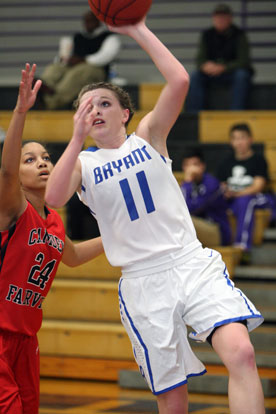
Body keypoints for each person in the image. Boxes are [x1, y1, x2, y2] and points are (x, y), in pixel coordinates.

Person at [45, 18, 265, 414]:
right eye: (86, 107)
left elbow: (179, 81)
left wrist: (137, 29)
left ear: (125, 113)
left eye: (104, 103)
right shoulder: (81, 162)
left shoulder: (148, 136)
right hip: (143, 282)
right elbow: (54, 194)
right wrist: (75, 137)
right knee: (172, 398)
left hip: (188, 262)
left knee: (241, 353)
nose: (94, 111)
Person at [0, 63, 104, 414]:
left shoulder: (54, 222)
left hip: (26, 338)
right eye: (31, 160)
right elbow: (6, 171)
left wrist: (119, 235)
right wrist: (20, 111)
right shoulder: (13, 208)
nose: (42, 163)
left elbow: (72, 255)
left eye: (46, 157)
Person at [216, 123, 276, 261]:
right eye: (235, 138)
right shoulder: (226, 162)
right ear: (231, 142)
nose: (239, 142)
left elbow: (258, 187)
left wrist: (236, 194)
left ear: (250, 140)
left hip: (260, 198)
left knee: (245, 201)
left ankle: (242, 246)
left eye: (242, 138)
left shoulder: (258, 160)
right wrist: (227, 192)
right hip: (234, 199)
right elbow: (222, 185)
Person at [38, 10, 121, 110]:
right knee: (55, 68)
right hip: (73, 66)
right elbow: (65, 54)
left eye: (91, 21)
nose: (88, 24)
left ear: (98, 21)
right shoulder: (78, 37)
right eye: (86, 21)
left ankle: (54, 99)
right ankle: (43, 86)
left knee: (78, 73)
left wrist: (83, 60)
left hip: (96, 70)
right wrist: (64, 60)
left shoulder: (109, 37)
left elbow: (105, 56)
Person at [186, 3, 253, 112]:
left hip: (231, 72)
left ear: (230, 18)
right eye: (218, 17)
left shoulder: (239, 35)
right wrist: (205, 66)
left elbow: (244, 61)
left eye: (223, 17)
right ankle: (195, 114)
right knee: (195, 76)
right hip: (211, 73)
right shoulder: (207, 35)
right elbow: (199, 59)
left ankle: (236, 112)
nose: (220, 20)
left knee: (242, 75)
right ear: (213, 18)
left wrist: (224, 67)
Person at [180, 148, 232, 246]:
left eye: (195, 164)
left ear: (203, 166)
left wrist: (187, 181)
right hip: (197, 228)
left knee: (184, 220)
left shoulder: (212, 184)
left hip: (216, 231)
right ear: (183, 167)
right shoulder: (186, 185)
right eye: (187, 165)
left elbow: (191, 209)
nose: (191, 169)